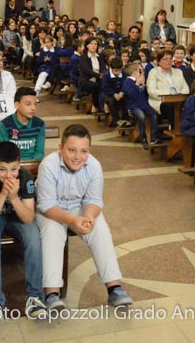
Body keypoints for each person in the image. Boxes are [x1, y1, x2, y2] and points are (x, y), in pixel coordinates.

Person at [35, 124, 134, 310]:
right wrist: (72, 221)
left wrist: (88, 217)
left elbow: (94, 200)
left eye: (83, 151)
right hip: (50, 211)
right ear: (60, 148)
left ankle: (114, 288)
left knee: (99, 228)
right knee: (53, 233)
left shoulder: (94, 165)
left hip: (79, 208)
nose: (77, 157)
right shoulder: (48, 165)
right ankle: (52, 294)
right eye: (71, 150)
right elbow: (46, 205)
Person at [0, 141, 46, 323]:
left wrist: (14, 197)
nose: (8, 175)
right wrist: (2, 195)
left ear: (20, 165)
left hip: (18, 216)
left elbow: (28, 218)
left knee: (33, 237)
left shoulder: (25, 177)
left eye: (13, 169)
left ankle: (35, 297)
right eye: (2, 170)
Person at [0, 87, 46, 162]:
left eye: (35, 104)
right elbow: (5, 153)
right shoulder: (4, 125)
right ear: (17, 105)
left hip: (33, 165)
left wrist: (29, 164)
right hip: (12, 165)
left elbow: (40, 152)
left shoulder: (40, 124)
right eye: (28, 104)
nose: (33, 108)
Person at [122, 62, 161, 148]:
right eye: (140, 71)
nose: (142, 73)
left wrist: (143, 85)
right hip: (134, 105)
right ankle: (143, 138)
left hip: (143, 104)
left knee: (154, 114)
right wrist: (137, 84)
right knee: (141, 116)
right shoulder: (127, 82)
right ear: (135, 72)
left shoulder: (141, 80)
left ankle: (154, 137)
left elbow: (144, 93)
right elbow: (131, 94)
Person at [146, 49, 189, 121]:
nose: (168, 61)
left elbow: (186, 88)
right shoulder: (153, 72)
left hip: (178, 100)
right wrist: (168, 96)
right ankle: (174, 128)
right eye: (165, 59)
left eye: (170, 59)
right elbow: (151, 91)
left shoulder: (178, 72)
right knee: (171, 106)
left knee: (189, 104)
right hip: (160, 102)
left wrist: (178, 96)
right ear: (159, 62)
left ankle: (187, 128)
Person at [78, 37, 107, 113]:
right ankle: (96, 105)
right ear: (87, 45)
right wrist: (98, 75)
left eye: (95, 44)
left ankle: (103, 105)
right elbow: (87, 70)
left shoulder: (99, 56)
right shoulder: (83, 57)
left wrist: (103, 74)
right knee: (96, 86)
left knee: (105, 86)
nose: (94, 46)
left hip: (98, 79)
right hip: (86, 81)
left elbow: (104, 67)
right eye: (91, 44)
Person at [100, 57, 126, 127]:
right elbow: (105, 88)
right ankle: (116, 120)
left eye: (119, 70)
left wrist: (122, 92)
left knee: (126, 99)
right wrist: (114, 94)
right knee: (111, 102)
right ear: (111, 68)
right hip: (109, 94)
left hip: (121, 93)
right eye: (115, 70)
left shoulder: (124, 74)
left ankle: (125, 118)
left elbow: (125, 84)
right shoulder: (107, 76)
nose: (117, 72)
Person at [33, 35, 57, 101]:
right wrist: (44, 60)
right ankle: (36, 93)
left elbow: (56, 62)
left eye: (48, 42)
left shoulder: (55, 51)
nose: (47, 44)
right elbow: (38, 61)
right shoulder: (43, 50)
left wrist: (50, 60)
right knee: (42, 76)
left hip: (52, 69)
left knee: (44, 75)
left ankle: (36, 93)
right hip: (44, 67)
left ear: (52, 42)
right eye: (45, 42)